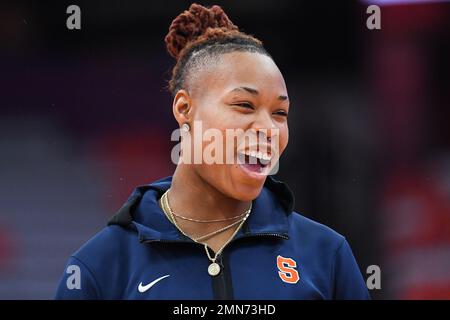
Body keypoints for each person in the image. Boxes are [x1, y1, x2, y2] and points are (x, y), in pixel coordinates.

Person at [55, 3, 370, 300]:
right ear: (184, 108)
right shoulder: (98, 269)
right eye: (244, 105)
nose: (268, 129)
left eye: (280, 113)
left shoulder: (327, 256)